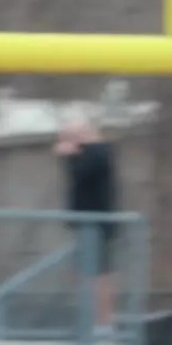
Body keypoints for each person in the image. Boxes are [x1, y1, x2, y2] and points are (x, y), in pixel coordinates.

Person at [56, 112, 118, 329]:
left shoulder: (96, 152)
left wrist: (69, 155)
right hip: (87, 224)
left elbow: (81, 175)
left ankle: (103, 322)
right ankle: (93, 320)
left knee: (99, 275)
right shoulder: (92, 153)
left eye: (70, 136)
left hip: (96, 225)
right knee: (85, 273)